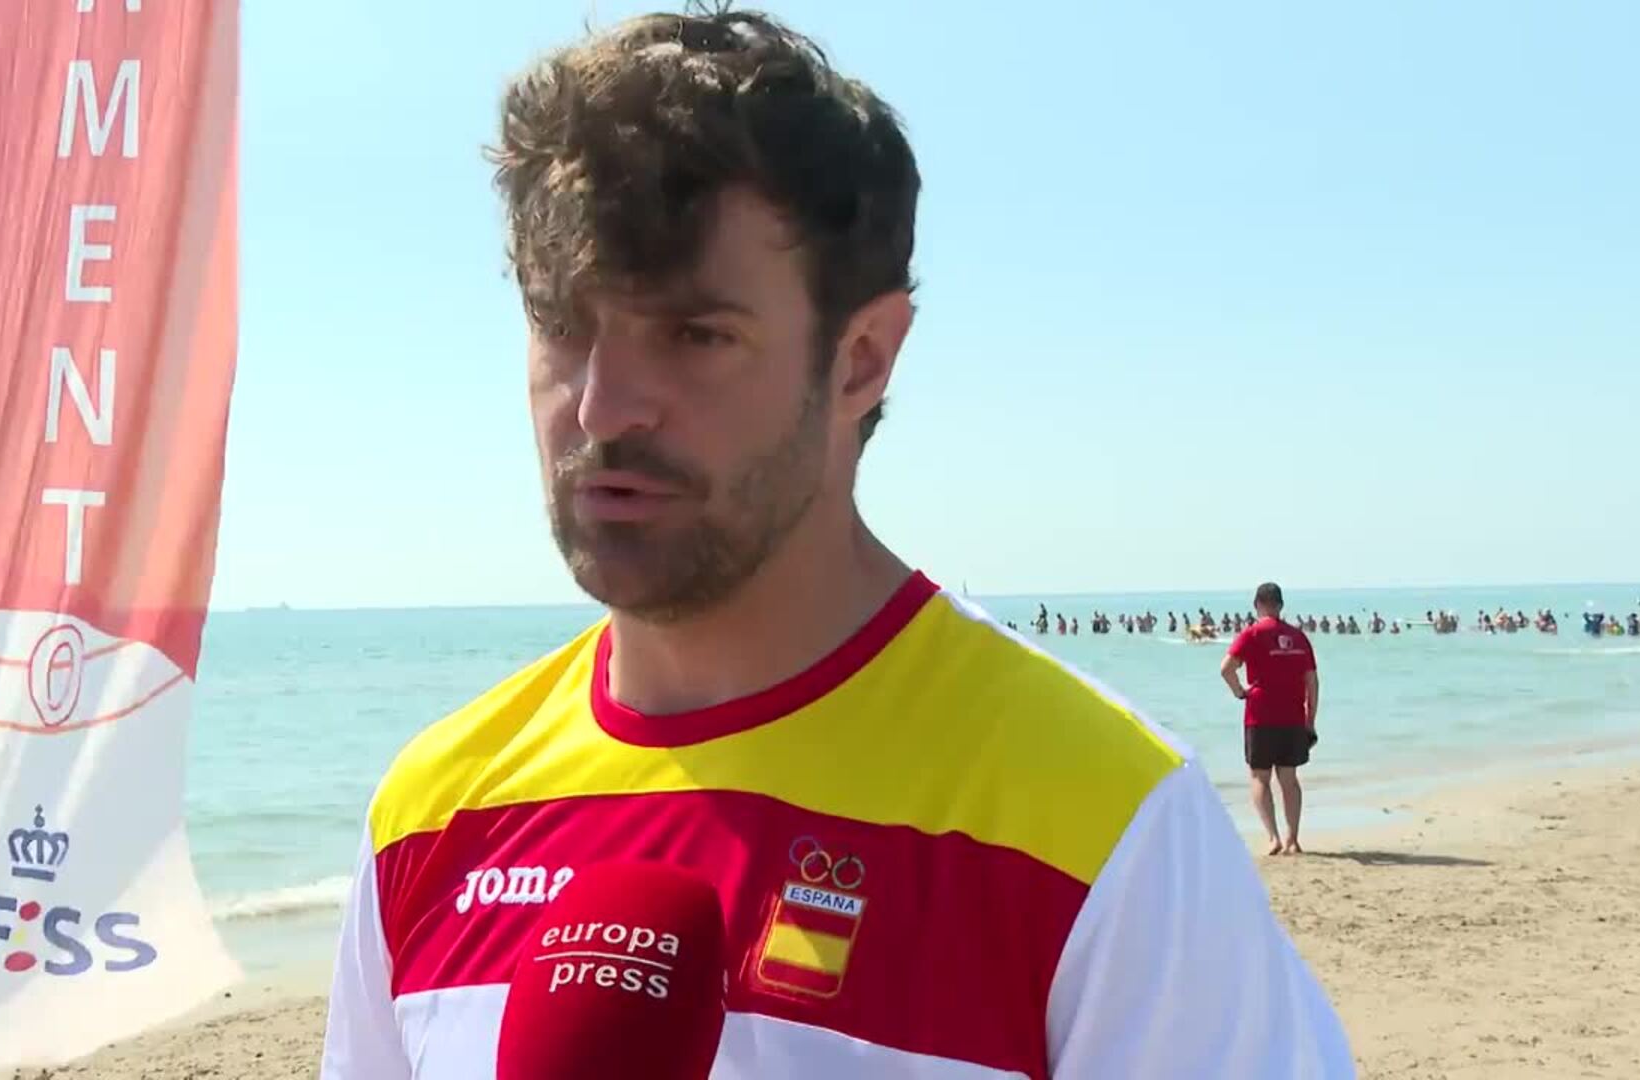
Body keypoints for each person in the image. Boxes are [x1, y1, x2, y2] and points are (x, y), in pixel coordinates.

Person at [321, 9, 1351, 1078]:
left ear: (860, 358)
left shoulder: (1105, 827)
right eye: (562, 324)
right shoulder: (431, 814)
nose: (603, 406)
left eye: (696, 334)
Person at [1221, 583, 1320, 857]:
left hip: (1260, 716)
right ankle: (1293, 839)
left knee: (1259, 777)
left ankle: (1273, 838)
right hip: (1292, 716)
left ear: (1257, 605)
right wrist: (1310, 718)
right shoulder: (1298, 637)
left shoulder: (1252, 634)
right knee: (1289, 778)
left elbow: (1226, 668)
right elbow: (1312, 682)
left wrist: (1240, 691)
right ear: (1281, 605)